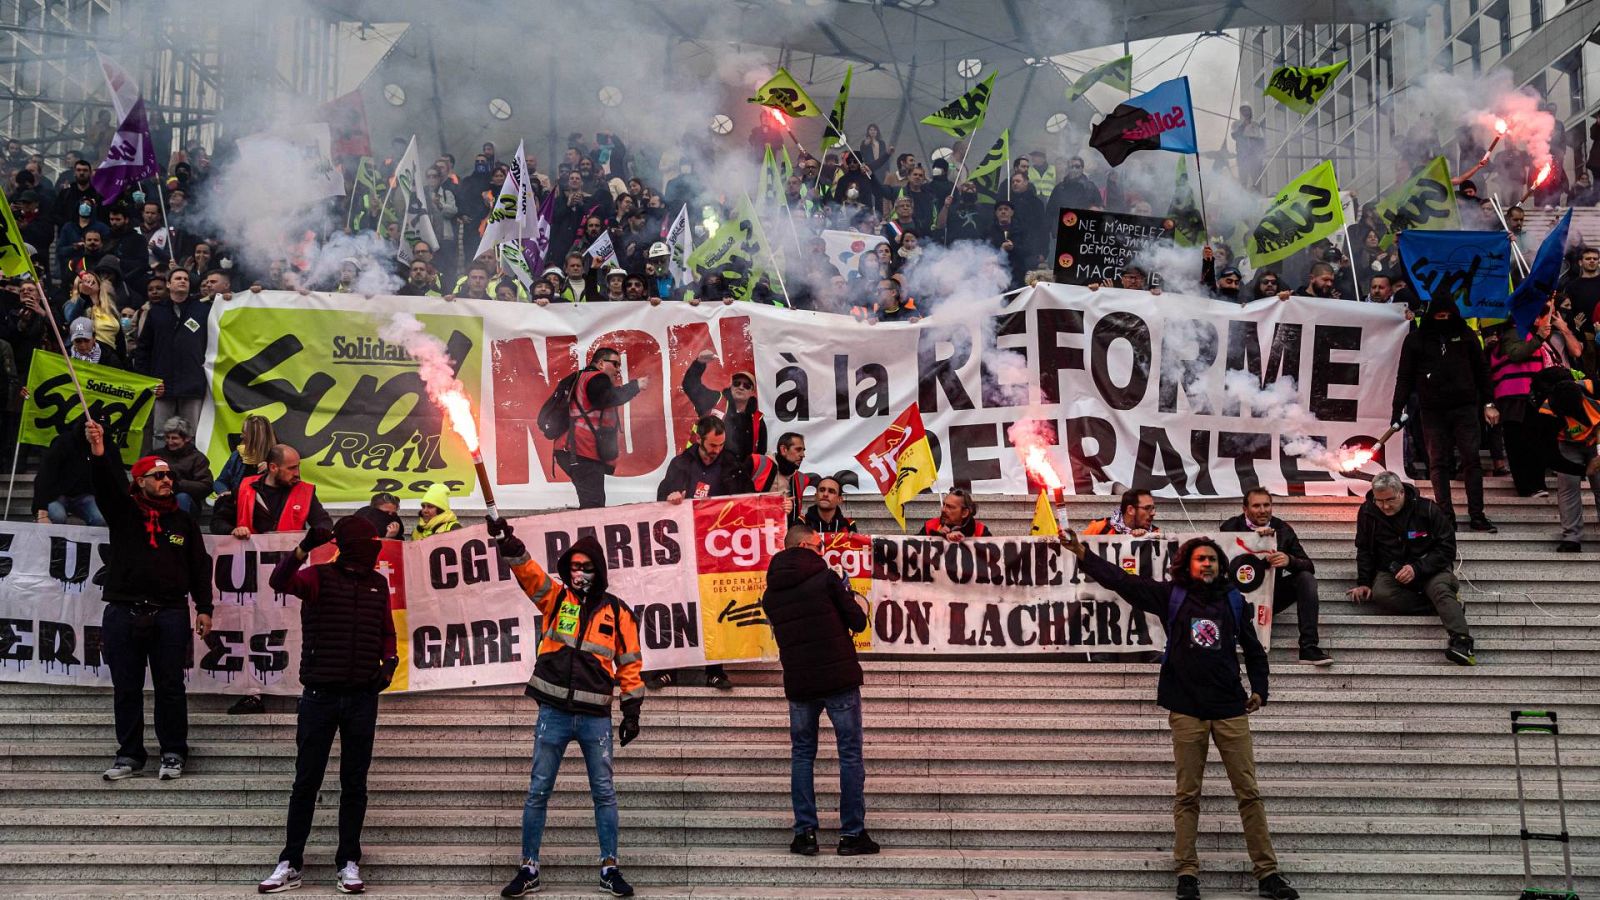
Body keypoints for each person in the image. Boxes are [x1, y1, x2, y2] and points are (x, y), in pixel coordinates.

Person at [1061, 530, 1300, 900]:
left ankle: (1267, 873)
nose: (1207, 564)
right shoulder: (1171, 595)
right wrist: (1083, 553)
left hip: (1229, 709)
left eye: (1213, 559)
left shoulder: (1234, 600)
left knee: (1249, 792)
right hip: (1186, 709)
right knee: (1188, 794)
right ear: (1188, 565)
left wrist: (1260, 690)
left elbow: (1253, 649)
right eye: (1200, 559)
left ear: (1221, 566)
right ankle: (1187, 873)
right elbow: (1124, 582)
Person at [490, 520, 643, 899]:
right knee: (538, 792)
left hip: (596, 718)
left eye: (586, 567)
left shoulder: (618, 612)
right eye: (574, 566)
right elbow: (528, 573)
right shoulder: (554, 598)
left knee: (604, 792)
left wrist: (632, 710)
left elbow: (630, 663)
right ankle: (529, 867)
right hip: (553, 712)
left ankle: (609, 867)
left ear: (599, 570)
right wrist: (509, 543)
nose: (579, 573)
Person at [256, 517, 398, 896]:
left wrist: (389, 662)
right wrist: (304, 547)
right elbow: (279, 581)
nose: (375, 544)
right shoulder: (318, 576)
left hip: (362, 698)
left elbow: (386, 630)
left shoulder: (377, 583)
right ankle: (290, 862)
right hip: (319, 696)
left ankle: (349, 861)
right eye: (369, 539)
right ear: (353, 543)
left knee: (355, 783)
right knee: (307, 781)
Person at [85, 419, 214, 783]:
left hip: (170, 613)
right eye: (158, 476)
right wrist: (99, 451)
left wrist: (204, 607)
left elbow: (200, 567)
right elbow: (106, 487)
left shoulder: (184, 520)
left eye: (169, 476)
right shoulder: (123, 512)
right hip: (124, 612)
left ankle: (173, 752)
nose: (167, 481)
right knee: (126, 686)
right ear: (140, 482)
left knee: (170, 685)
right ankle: (129, 755)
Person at [762, 524, 878, 857]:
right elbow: (857, 622)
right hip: (839, 678)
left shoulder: (771, 593)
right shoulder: (827, 578)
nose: (822, 551)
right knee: (850, 755)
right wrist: (845, 589)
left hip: (800, 682)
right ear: (804, 546)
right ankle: (852, 834)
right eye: (818, 546)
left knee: (802, 756)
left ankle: (805, 834)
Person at [653, 416, 755, 689]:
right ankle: (669, 670)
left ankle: (715, 670)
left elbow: (750, 499)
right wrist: (671, 497)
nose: (716, 450)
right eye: (712, 445)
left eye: (720, 445)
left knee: (716, 608)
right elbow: (661, 497)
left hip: (718, 551)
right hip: (683, 549)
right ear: (699, 438)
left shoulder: (732, 463)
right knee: (677, 608)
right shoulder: (680, 463)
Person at [1391, 295, 1499, 532]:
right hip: (1432, 409)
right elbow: (1405, 377)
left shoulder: (1467, 336)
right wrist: (1397, 408)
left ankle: (1477, 515)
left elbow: (1482, 370)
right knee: (1437, 462)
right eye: (1439, 316)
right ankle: (1445, 516)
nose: (1443, 320)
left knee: (1471, 459)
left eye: (1447, 316)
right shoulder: (1416, 340)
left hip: (1465, 406)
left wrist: (1489, 402)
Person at [1349, 471, 1476, 665]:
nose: (1384, 506)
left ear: (1401, 493)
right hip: (1392, 571)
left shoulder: (1428, 509)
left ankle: (1462, 642)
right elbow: (1364, 549)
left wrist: (1418, 567)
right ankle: (1447, 607)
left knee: (1440, 589)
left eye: (1389, 500)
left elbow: (1447, 548)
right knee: (1381, 593)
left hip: (1432, 568)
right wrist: (1364, 582)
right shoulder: (1367, 512)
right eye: (1379, 501)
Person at [1218, 488, 1332, 665]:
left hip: (1271, 594)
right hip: (1237, 596)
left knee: (1306, 579)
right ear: (1245, 509)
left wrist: (1289, 560)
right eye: (1257, 506)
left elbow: (1308, 565)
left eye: (1267, 505)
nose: (1263, 510)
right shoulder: (1230, 527)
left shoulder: (1283, 529)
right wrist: (1255, 540)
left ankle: (1308, 647)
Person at [556, 346, 648, 509]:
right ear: (600, 363)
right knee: (593, 507)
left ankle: (588, 533)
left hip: (573, 452)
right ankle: (588, 534)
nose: (618, 370)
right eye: (615, 364)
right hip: (582, 452)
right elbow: (608, 398)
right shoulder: (597, 378)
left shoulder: (581, 377)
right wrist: (636, 386)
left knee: (593, 503)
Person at [133, 267, 211, 449]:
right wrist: (148, 381)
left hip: (192, 382)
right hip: (162, 384)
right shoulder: (156, 312)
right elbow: (143, 348)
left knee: (192, 433)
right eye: (177, 278)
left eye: (185, 278)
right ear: (168, 284)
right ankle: (160, 469)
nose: (182, 281)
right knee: (161, 433)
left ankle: (192, 470)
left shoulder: (202, 310)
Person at [683, 348, 767, 459]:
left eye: (746, 385)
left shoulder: (757, 420)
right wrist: (699, 363)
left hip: (740, 473)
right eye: (737, 383)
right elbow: (690, 385)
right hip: (706, 470)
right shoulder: (714, 401)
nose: (741, 387)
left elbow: (760, 454)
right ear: (731, 386)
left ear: (752, 392)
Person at [33, 419, 105, 525]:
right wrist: (42, 513)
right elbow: (44, 477)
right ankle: (55, 541)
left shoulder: (105, 446)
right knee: (58, 516)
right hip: (55, 495)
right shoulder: (63, 443)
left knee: (99, 518)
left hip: (84, 496)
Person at [151, 415, 213, 515]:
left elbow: (206, 486)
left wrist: (177, 484)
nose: (170, 442)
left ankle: (180, 528)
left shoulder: (198, 458)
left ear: (187, 438)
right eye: (167, 437)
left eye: (174, 438)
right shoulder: (156, 455)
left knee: (182, 497)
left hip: (186, 502)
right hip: (159, 499)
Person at [1082, 488, 1160, 536]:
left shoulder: (1155, 534)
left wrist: (1146, 539)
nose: (1153, 513)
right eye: (1147, 508)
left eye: (1153, 508)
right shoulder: (1100, 528)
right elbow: (1077, 555)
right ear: (1130, 510)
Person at [919, 488, 987, 541]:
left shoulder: (980, 530)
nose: (943, 510)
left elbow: (993, 555)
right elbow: (913, 551)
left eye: (950, 507)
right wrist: (936, 537)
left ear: (964, 513)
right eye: (944, 505)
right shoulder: (930, 526)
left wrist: (965, 539)